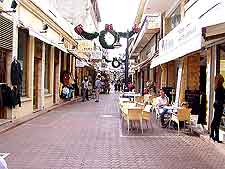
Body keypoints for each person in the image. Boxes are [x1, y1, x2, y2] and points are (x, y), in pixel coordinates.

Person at [210, 74, 225, 143]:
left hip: (217, 105)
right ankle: (215, 136)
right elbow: (223, 99)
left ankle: (213, 135)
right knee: (217, 122)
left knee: (215, 121)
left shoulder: (217, 88)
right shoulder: (221, 88)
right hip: (219, 107)